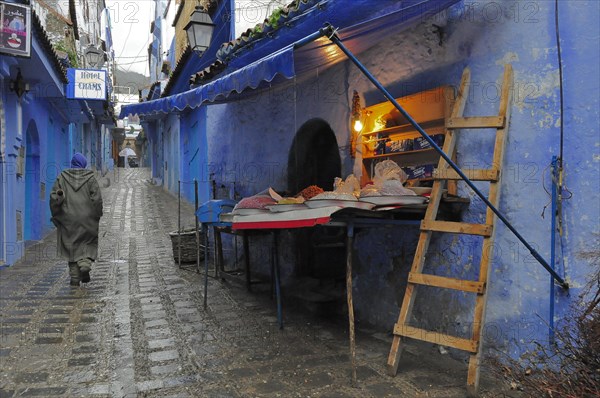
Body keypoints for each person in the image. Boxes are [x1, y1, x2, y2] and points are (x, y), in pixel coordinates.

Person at [50, 153, 103, 286]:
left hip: (68, 219)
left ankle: (74, 278)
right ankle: (85, 264)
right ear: (83, 164)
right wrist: (97, 215)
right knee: (88, 242)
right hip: (88, 218)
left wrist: (56, 216)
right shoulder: (90, 178)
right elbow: (97, 199)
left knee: (71, 245)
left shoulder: (61, 177)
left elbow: (54, 198)